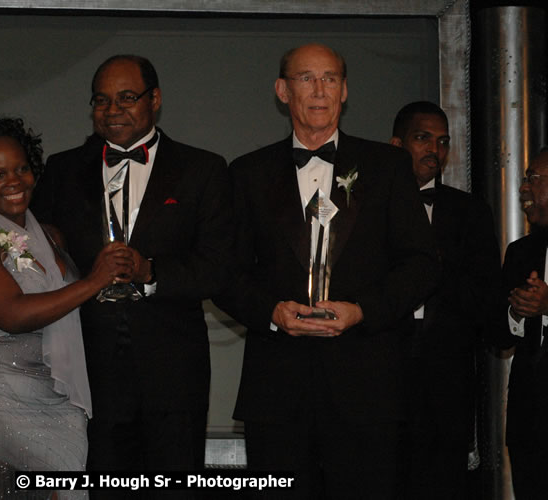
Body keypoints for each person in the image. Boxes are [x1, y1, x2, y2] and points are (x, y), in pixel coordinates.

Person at [213, 44, 439, 499]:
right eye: (306, 78)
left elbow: (422, 263)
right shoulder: (247, 173)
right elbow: (224, 272)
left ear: (345, 90)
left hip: (367, 387)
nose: (319, 90)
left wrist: (363, 311)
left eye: (330, 78)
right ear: (282, 91)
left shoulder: (387, 166)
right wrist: (273, 312)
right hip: (276, 391)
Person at [33, 55, 233, 490]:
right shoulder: (63, 170)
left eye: (127, 97)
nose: (112, 109)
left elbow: (218, 268)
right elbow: (40, 265)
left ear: (155, 100)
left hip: (173, 370)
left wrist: (150, 270)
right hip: (86, 368)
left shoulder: (202, 169)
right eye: (101, 100)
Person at [0, 117, 132, 499]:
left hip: (55, 401)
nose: (14, 180)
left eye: (22, 168)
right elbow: (13, 314)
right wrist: (94, 280)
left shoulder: (49, 235)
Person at [390, 101, 501, 499]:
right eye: (422, 138)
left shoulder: (469, 211)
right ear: (396, 144)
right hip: (381, 374)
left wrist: (438, 267)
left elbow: (487, 296)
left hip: (447, 377)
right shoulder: (368, 207)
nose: (433, 151)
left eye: (442, 142)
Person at [498, 147, 548, 499]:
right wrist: (516, 313)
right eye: (524, 179)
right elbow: (496, 335)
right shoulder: (520, 251)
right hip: (529, 419)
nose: (523, 188)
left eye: (533, 179)